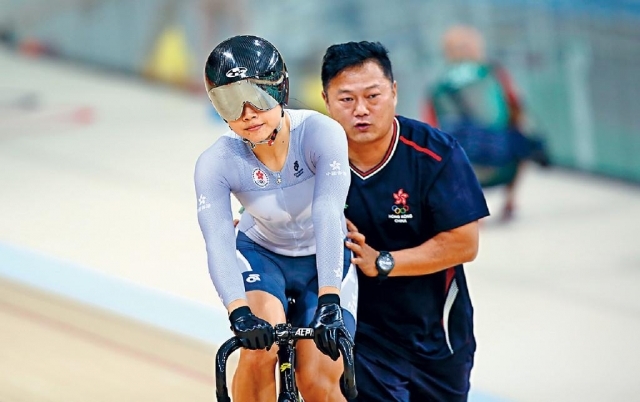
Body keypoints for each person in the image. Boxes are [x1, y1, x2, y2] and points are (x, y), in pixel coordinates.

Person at [321, 41, 489, 401]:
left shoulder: (437, 153)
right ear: (326, 101)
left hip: (438, 335)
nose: (361, 110)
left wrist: (383, 262)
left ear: (394, 93)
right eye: (346, 99)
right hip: (363, 337)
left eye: (373, 96)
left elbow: (465, 242)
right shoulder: (312, 161)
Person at [195, 35, 357, 402]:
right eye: (230, 102)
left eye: (257, 96)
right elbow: (218, 238)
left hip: (323, 260)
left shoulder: (320, 133)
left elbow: (329, 213)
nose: (248, 113)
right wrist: (238, 312)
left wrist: (329, 299)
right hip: (262, 255)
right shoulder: (216, 161)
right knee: (258, 351)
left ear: (281, 90)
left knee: (318, 379)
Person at [423, 25, 549, 221]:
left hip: (462, 160)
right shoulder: (493, 73)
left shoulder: (439, 84)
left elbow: (430, 124)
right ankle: (510, 200)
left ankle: (474, 211)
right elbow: (516, 106)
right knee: (525, 141)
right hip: (501, 153)